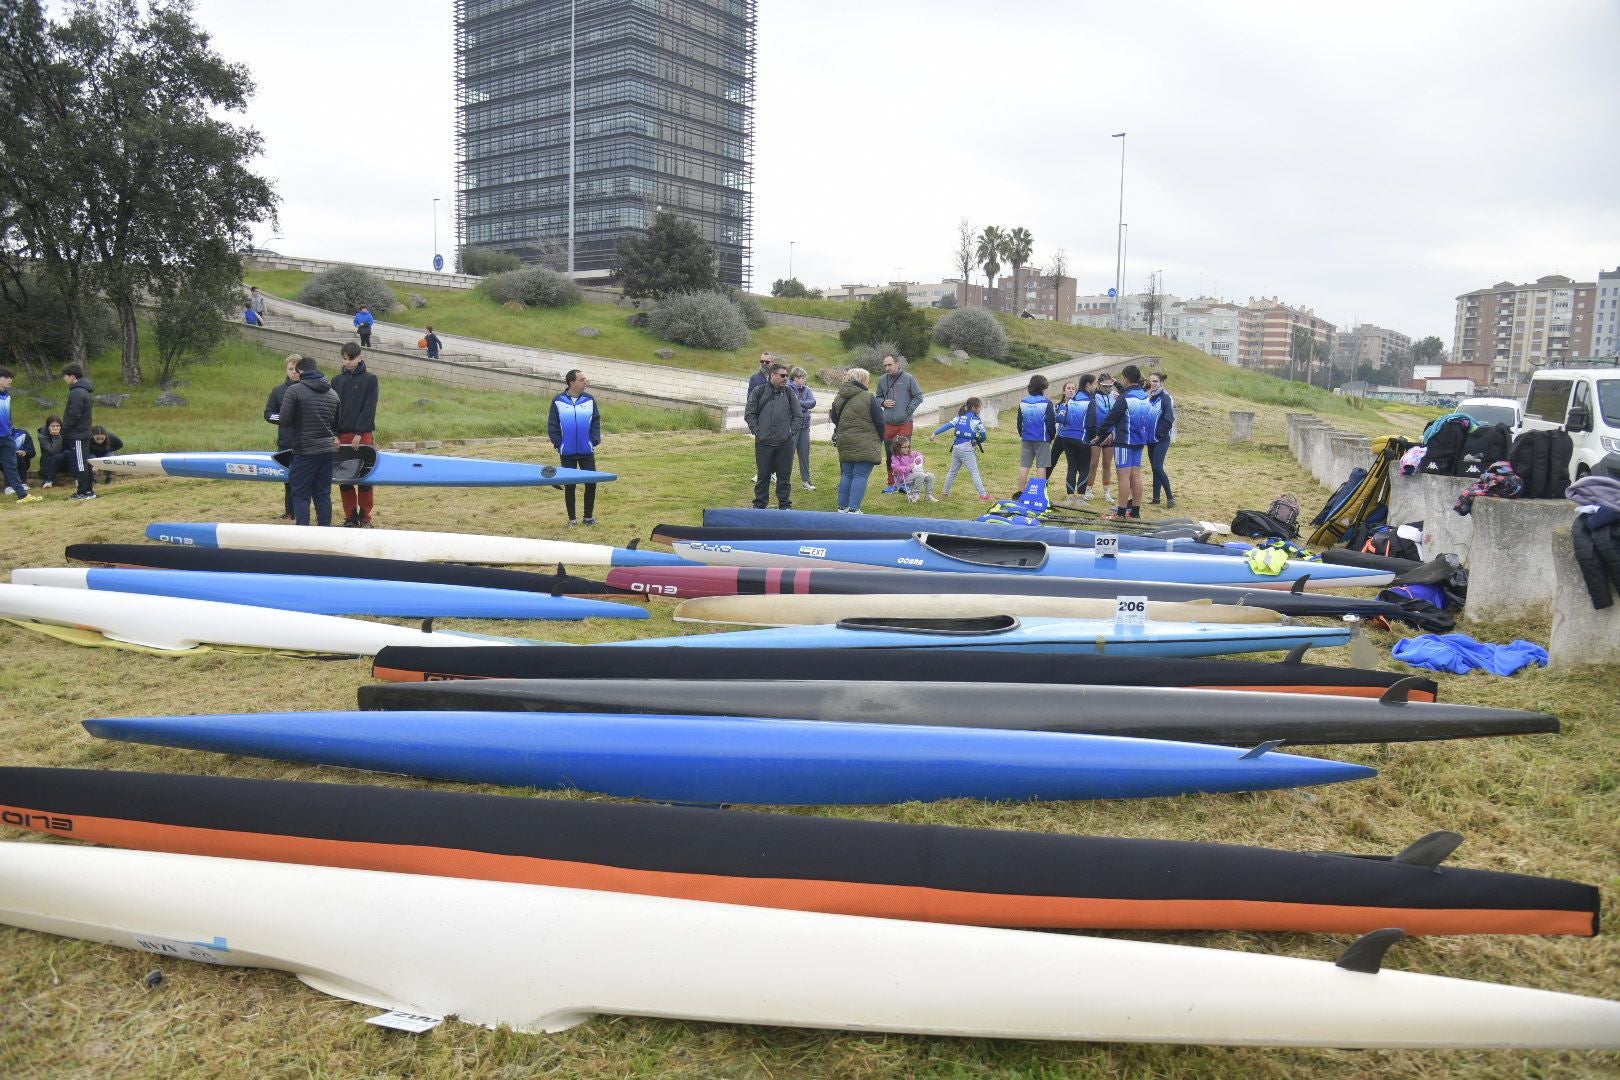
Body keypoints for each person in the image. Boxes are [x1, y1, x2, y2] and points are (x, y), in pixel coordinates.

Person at [1091, 363, 1159, 520]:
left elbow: (1110, 418)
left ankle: (1120, 513)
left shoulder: (1125, 398)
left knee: (1123, 477)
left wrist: (1100, 435)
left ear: (1126, 378)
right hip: (1139, 441)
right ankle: (1135, 511)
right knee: (1136, 476)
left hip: (1124, 442)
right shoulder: (1144, 396)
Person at [278, 355, 340, 527]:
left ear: (301, 371)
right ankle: (324, 530)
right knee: (322, 493)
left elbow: (284, 420)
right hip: (327, 450)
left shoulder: (294, 391)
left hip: (305, 450)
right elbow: (336, 424)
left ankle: (303, 532)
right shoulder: (333, 393)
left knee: (300, 493)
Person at [331, 341, 379, 527]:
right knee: (344, 477)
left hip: (363, 434)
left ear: (360, 357)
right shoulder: (336, 381)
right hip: (341, 434)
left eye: (351, 358)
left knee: (365, 477)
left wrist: (359, 433)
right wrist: (333, 433)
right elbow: (333, 409)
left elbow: (369, 408)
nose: (348, 362)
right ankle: (350, 517)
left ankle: (365, 517)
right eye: (344, 359)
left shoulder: (370, 379)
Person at [744, 361, 801, 510]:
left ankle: (784, 505)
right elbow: (749, 413)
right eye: (782, 376)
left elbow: (798, 416)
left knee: (784, 477)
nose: (785, 379)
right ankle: (760, 504)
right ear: (773, 375)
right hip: (764, 443)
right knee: (763, 476)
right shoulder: (759, 391)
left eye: (787, 376)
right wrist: (757, 430)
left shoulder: (789, 393)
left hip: (785, 444)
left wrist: (790, 432)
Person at [548, 368, 602, 526]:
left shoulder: (589, 400)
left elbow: (596, 422)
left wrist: (593, 441)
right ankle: (572, 520)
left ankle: (588, 518)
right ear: (572, 383)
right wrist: (559, 444)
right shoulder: (558, 401)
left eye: (585, 379)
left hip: (586, 451)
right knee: (570, 485)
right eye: (582, 380)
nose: (585, 382)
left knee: (591, 483)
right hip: (568, 452)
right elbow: (553, 426)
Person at [829, 367, 885, 513]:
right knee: (860, 475)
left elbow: (835, 418)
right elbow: (880, 421)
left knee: (847, 474)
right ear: (862, 380)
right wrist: (880, 438)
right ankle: (854, 509)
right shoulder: (868, 397)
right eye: (867, 379)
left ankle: (842, 508)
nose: (868, 382)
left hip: (845, 440)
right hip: (866, 441)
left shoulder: (839, 397)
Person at [876, 354, 923, 491]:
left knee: (903, 454)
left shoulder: (908, 378)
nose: (887, 368)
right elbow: (877, 397)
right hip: (888, 423)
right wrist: (883, 402)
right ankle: (891, 484)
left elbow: (918, 396)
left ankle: (904, 484)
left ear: (897, 364)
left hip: (905, 423)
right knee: (890, 454)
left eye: (889, 365)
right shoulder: (882, 380)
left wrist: (907, 411)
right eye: (885, 365)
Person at [931, 397, 992, 500]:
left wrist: (934, 433)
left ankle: (945, 493)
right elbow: (984, 436)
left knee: (952, 471)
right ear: (973, 408)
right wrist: (975, 441)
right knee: (974, 472)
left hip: (956, 447)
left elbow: (947, 425)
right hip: (967, 448)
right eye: (979, 407)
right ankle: (983, 495)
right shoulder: (975, 420)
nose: (980, 409)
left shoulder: (959, 416)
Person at [264, 354, 301, 519]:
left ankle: (304, 512)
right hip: (286, 442)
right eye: (291, 369)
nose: (294, 372)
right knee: (288, 479)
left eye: (297, 369)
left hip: (305, 442)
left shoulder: (308, 389)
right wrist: (284, 418)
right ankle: (290, 512)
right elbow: (268, 414)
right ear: (286, 370)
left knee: (307, 480)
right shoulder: (278, 391)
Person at [0, 367, 42, 503]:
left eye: (11, 377)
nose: (10, 380)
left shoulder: (7, 395)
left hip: (7, 437)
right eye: (6, 377)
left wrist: (10, 431)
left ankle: (22, 495)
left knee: (11, 466)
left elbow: (8, 416)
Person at [1052, 377, 1094, 505]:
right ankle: (1081, 498)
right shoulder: (1089, 401)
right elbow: (1091, 422)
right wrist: (1094, 437)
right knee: (1085, 467)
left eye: (1073, 388)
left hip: (1067, 439)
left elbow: (1061, 419)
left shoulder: (1068, 402)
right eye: (1095, 384)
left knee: (1072, 467)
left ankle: (1070, 498)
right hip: (1082, 439)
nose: (1095, 386)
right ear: (1088, 385)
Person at [1014, 373, 1058, 493]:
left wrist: (1022, 434)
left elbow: (1019, 422)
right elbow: (1050, 423)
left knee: (1024, 466)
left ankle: (1020, 492)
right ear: (1043, 387)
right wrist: (1052, 436)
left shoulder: (1023, 402)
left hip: (1027, 438)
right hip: (1042, 439)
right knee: (1041, 467)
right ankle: (1039, 493)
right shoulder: (1046, 403)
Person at [60, 362, 97, 501]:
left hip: (78, 434)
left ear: (73, 377)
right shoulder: (83, 390)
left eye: (66, 376)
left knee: (81, 464)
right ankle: (88, 490)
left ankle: (83, 492)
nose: (64, 379)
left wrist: (64, 430)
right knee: (84, 462)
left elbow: (74, 415)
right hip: (83, 433)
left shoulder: (77, 392)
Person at [1084, 372, 1117, 503]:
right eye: (1105, 386)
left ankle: (1106, 492)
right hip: (1095, 433)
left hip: (1110, 433)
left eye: (1110, 386)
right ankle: (1088, 490)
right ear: (1098, 384)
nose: (1107, 388)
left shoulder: (1114, 396)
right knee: (1093, 464)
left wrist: (1113, 432)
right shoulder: (1093, 396)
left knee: (1107, 464)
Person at [1147, 371, 1176, 509]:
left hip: (1161, 439)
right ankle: (1156, 498)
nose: (1152, 384)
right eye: (1151, 381)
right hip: (1150, 439)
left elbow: (1169, 418)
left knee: (1157, 467)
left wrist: (1161, 433)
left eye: (1155, 381)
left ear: (1161, 383)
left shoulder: (1165, 398)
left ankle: (1170, 497)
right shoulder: (1150, 398)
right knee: (1154, 468)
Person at [789, 365, 817, 490]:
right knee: (788, 453)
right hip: (792, 426)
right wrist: (803, 404)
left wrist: (800, 403)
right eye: (803, 377)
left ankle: (806, 481)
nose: (805, 380)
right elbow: (792, 405)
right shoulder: (788, 388)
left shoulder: (807, 389)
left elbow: (813, 402)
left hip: (805, 426)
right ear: (796, 378)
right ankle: (784, 479)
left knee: (804, 454)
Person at [889, 435, 936, 502]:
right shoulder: (895, 457)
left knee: (931, 476)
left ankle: (928, 496)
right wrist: (910, 467)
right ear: (898, 448)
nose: (907, 449)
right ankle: (914, 494)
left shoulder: (910, 453)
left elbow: (919, 454)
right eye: (905, 447)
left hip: (914, 475)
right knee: (920, 475)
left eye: (908, 446)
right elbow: (896, 468)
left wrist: (920, 458)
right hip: (903, 478)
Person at [36, 416, 72, 489]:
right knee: (59, 456)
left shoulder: (65, 432)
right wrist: (56, 437)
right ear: (48, 427)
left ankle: (77, 478)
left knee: (68, 453)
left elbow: (70, 448)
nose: (55, 428)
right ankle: (49, 480)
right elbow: (53, 451)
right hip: (49, 461)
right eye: (52, 426)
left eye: (58, 426)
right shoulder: (42, 435)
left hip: (64, 461)